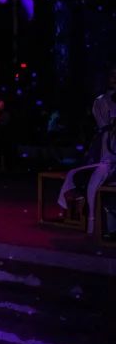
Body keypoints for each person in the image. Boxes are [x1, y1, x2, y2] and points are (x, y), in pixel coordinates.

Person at [57, 66, 116, 234]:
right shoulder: (101, 101)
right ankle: (92, 219)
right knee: (96, 175)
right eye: (113, 75)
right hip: (107, 153)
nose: (115, 78)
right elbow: (105, 127)